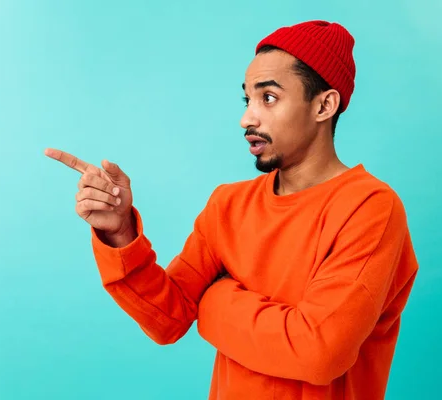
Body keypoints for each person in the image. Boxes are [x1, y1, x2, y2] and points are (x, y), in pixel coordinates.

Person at [45, 20, 419, 400]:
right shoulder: (229, 204)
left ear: (324, 105)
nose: (247, 119)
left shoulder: (370, 208)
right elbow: (168, 319)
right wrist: (119, 232)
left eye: (268, 98)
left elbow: (318, 353)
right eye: (247, 100)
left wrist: (214, 301)